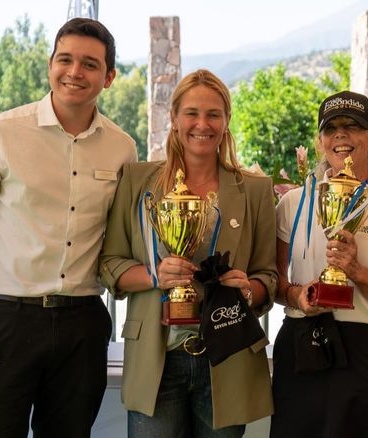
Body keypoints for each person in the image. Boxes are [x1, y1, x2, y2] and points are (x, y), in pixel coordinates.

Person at [0, 18, 137, 438]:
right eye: (65, 59)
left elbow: (122, 238)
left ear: (108, 77)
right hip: (4, 323)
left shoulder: (122, 148)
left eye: (90, 64)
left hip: (83, 324)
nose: (74, 72)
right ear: (50, 65)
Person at [99, 69, 276, 437]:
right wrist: (154, 275)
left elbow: (268, 276)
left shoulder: (255, 190)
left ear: (227, 120)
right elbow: (110, 263)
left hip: (226, 359)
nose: (202, 124)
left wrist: (248, 289)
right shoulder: (136, 182)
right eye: (192, 113)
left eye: (214, 114)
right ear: (174, 118)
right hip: (155, 361)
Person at [270, 90, 368, 438]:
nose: (341, 135)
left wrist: (357, 271)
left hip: (367, 352)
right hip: (302, 345)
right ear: (320, 142)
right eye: (331, 128)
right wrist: (298, 296)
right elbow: (274, 283)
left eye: (353, 126)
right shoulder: (293, 203)